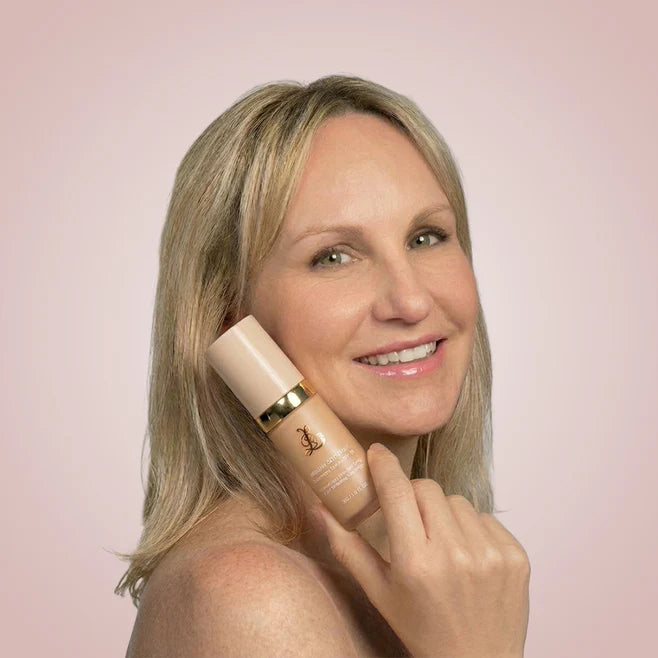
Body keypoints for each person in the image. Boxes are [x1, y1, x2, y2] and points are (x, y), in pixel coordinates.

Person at [114, 74, 531, 657]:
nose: (411, 301)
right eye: (333, 256)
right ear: (230, 318)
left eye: (426, 237)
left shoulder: (429, 578)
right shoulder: (253, 598)